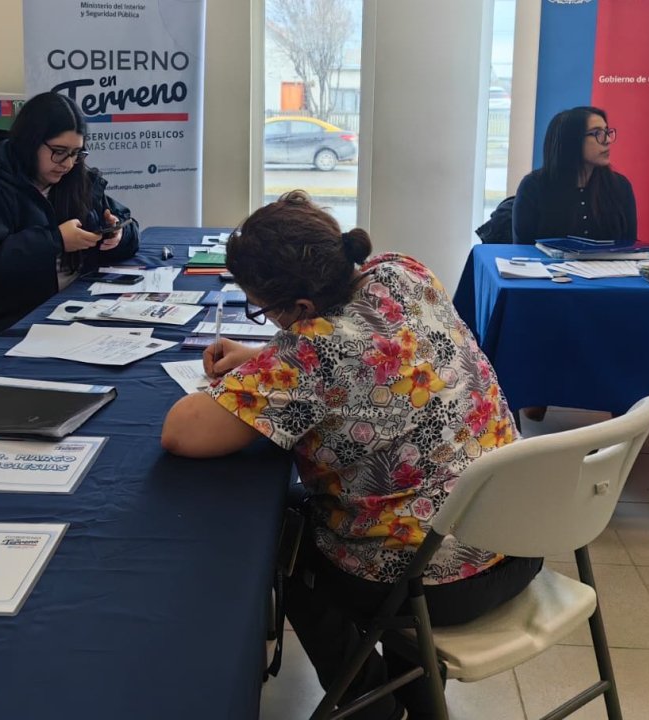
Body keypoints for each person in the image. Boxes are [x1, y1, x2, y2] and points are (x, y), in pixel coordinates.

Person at [161, 191, 542, 720]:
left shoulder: (310, 353)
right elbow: (374, 350)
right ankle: (417, 695)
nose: (266, 321)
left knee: (283, 538)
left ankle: (371, 704)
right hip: (524, 537)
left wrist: (273, 363)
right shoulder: (401, 271)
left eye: (262, 310)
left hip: (436, 582)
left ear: (301, 309)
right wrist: (265, 357)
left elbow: (181, 432)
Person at [0, 92, 139, 373]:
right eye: (59, 151)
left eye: (76, 153)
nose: (68, 163)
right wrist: (55, 241)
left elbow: (126, 222)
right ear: (30, 142)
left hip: (68, 312)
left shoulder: (76, 180)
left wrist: (118, 235)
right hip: (3, 326)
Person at [511, 106, 637, 245]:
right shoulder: (533, 186)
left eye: (607, 132)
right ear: (571, 140)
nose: (607, 140)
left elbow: (629, 245)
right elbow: (522, 249)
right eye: (597, 133)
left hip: (612, 261)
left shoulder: (619, 186)